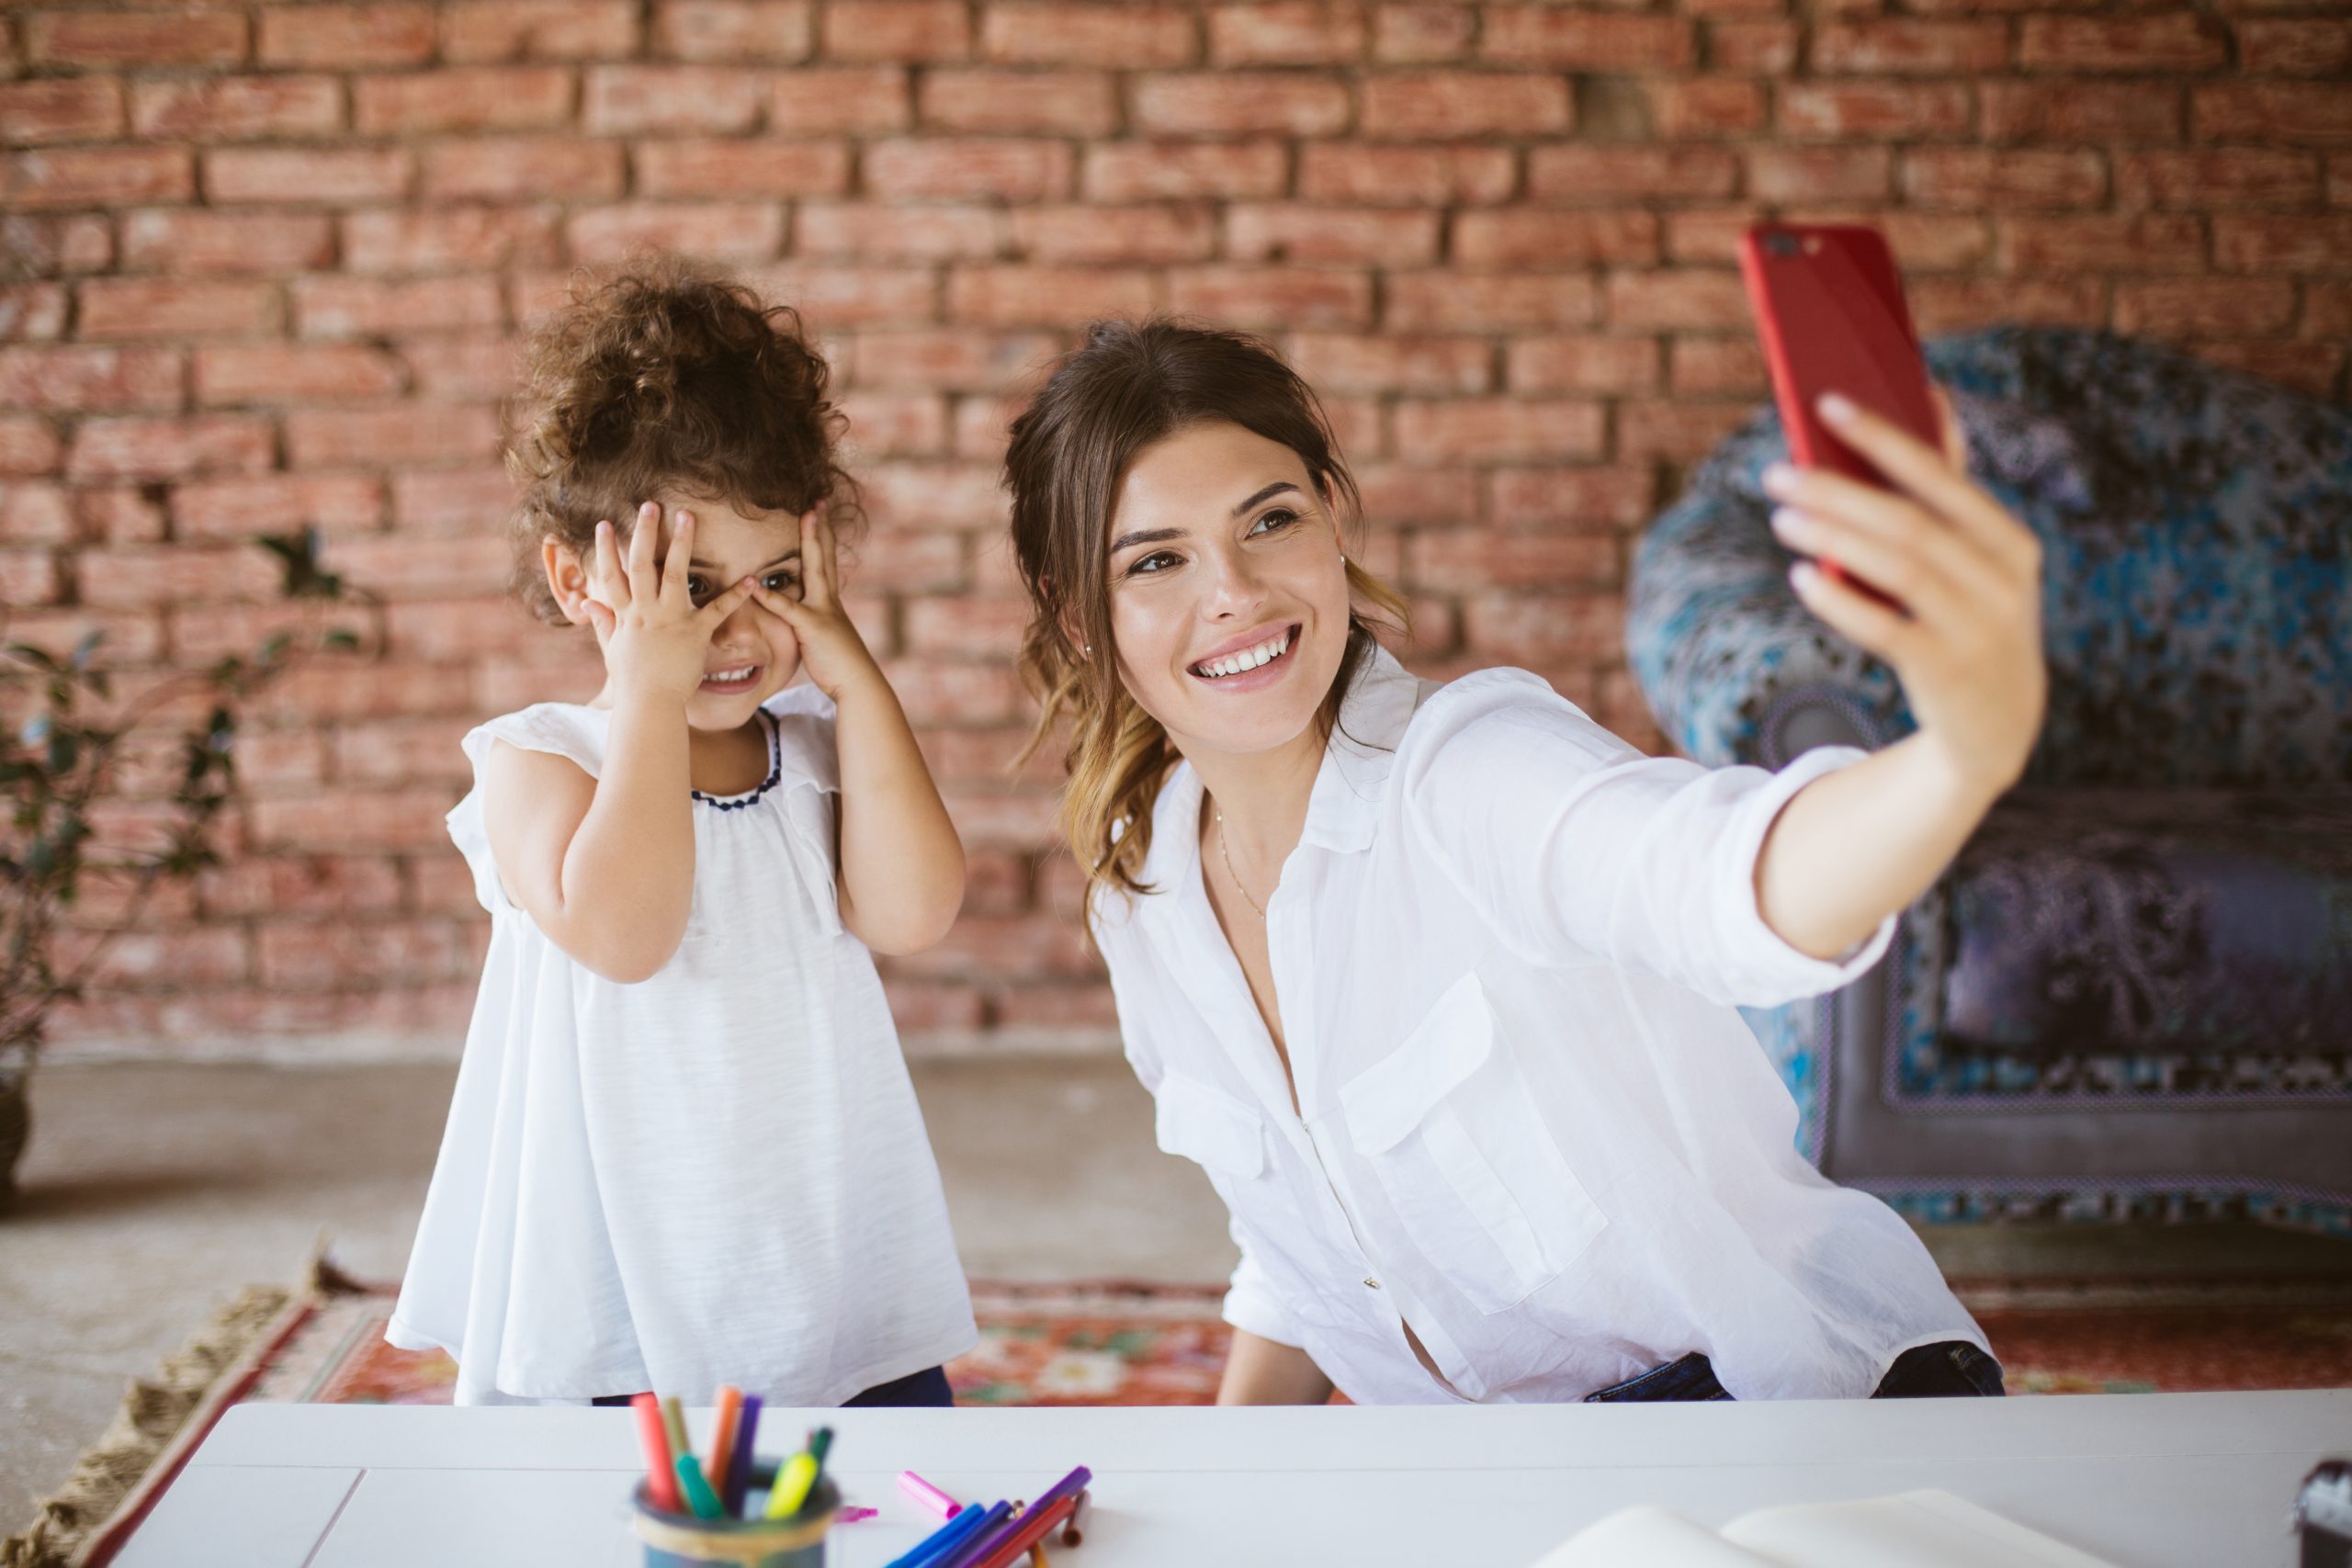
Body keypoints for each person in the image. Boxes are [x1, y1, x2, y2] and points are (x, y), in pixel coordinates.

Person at [1003, 320, 2043, 1405]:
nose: (1235, 592)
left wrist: (1960, 756)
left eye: (1270, 521)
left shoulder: (1470, 771)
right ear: (1079, 617)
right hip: (1501, 1469)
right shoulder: (1146, 895)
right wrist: (1231, 1480)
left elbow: (1721, 878)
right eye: (1157, 560)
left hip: (1776, 1404)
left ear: (1330, 524)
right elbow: (1305, 1253)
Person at [388, 261, 975, 1407]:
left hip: (817, 1226)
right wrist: (649, 694)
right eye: (688, 586)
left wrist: (857, 684)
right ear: (577, 581)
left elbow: (913, 913)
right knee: (638, 1493)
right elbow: (628, 935)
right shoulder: (539, 761)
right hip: (626, 1250)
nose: (736, 629)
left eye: (775, 580)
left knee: (867, 1469)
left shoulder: (815, 749)